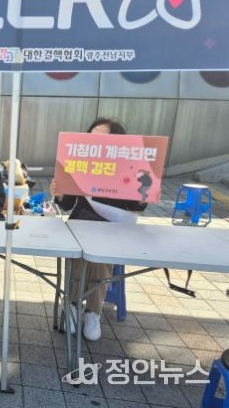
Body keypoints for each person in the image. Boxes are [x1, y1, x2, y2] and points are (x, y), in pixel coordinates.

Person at [51, 117, 147, 341]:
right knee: (77, 257)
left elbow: (136, 206)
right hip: (80, 223)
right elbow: (67, 205)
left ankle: (93, 312)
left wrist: (145, 196)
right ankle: (72, 306)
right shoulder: (79, 164)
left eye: (101, 139)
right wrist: (59, 193)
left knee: (100, 261)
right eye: (91, 137)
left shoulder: (128, 169)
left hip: (111, 229)